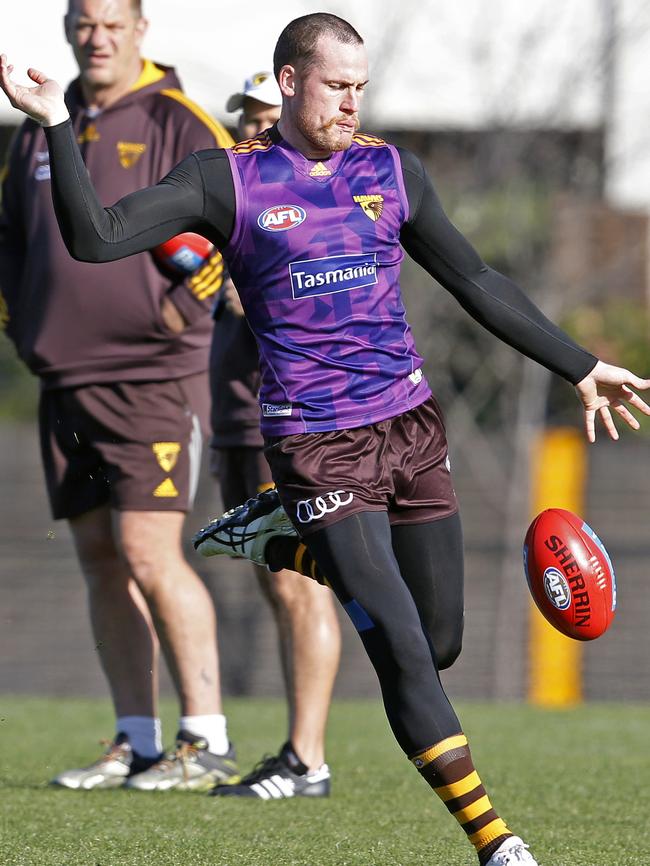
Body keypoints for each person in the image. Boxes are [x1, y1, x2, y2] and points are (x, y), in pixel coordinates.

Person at [3, 11, 649, 861]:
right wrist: (53, 122)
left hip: (412, 430)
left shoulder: (392, 170)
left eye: (360, 88)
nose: (352, 104)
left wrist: (579, 365)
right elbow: (97, 239)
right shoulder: (226, 180)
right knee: (405, 655)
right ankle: (498, 844)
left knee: (440, 637)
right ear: (290, 82)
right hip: (316, 445)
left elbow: (478, 279)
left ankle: (287, 542)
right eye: (338, 87)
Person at [0, 0, 240, 792]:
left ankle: (205, 741)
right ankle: (136, 739)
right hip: (63, 379)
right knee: (101, 559)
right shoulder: (43, 120)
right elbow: (12, 240)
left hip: (154, 379)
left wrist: (179, 307)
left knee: (148, 549)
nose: (94, 37)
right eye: (83, 23)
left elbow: (231, 229)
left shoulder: (178, 120)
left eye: (111, 23)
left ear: (141, 29)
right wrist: (22, 320)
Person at [207, 70, 341, 798]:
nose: (253, 134)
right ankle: (299, 753)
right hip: (235, 419)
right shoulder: (239, 197)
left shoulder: (312, 211)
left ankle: (307, 759)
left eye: (265, 120)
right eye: (246, 121)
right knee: (274, 580)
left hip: (286, 421)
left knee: (299, 587)